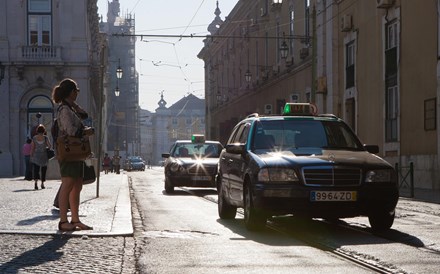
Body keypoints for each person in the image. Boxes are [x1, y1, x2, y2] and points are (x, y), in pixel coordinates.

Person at [52, 78, 95, 231]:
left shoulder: (70, 108)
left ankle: (75, 219)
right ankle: (63, 221)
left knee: (77, 186)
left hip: (76, 154)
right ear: (71, 92)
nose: (77, 93)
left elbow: (84, 115)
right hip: (69, 152)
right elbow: (71, 131)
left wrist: (74, 104)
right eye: (76, 91)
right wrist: (86, 132)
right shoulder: (64, 110)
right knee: (68, 185)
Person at [30, 125, 51, 190]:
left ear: (37, 131)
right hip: (44, 155)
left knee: (36, 170)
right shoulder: (45, 138)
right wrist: (45, 148)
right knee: (43, 170)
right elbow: (49, 146)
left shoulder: (34, 138)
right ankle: (42, 184)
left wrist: (31, 155)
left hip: (36, 155)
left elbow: (32, 148)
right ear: (44, 131)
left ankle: (36, 183)